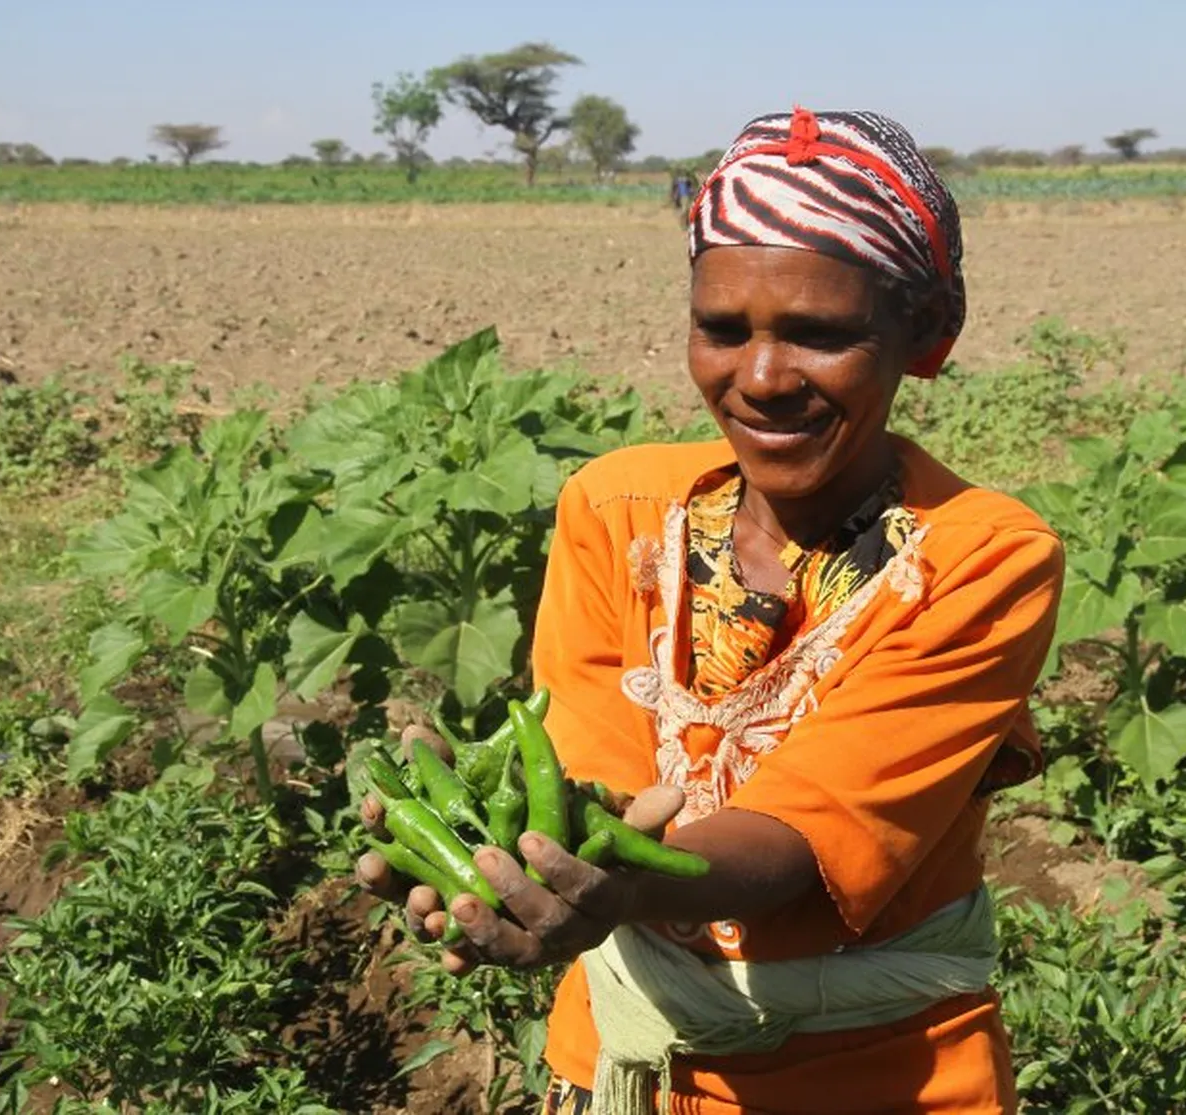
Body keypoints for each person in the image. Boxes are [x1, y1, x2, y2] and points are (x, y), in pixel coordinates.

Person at [358, 106, 1064, 1115]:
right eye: (722, 330)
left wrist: (618, 882)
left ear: (927, 332)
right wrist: (505, 853)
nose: (763, 377)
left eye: (821, 334)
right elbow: (593, 772)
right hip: (619, 1061)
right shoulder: (617, 510)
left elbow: (800, 831)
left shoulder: (980, 555)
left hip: (875, 1079)